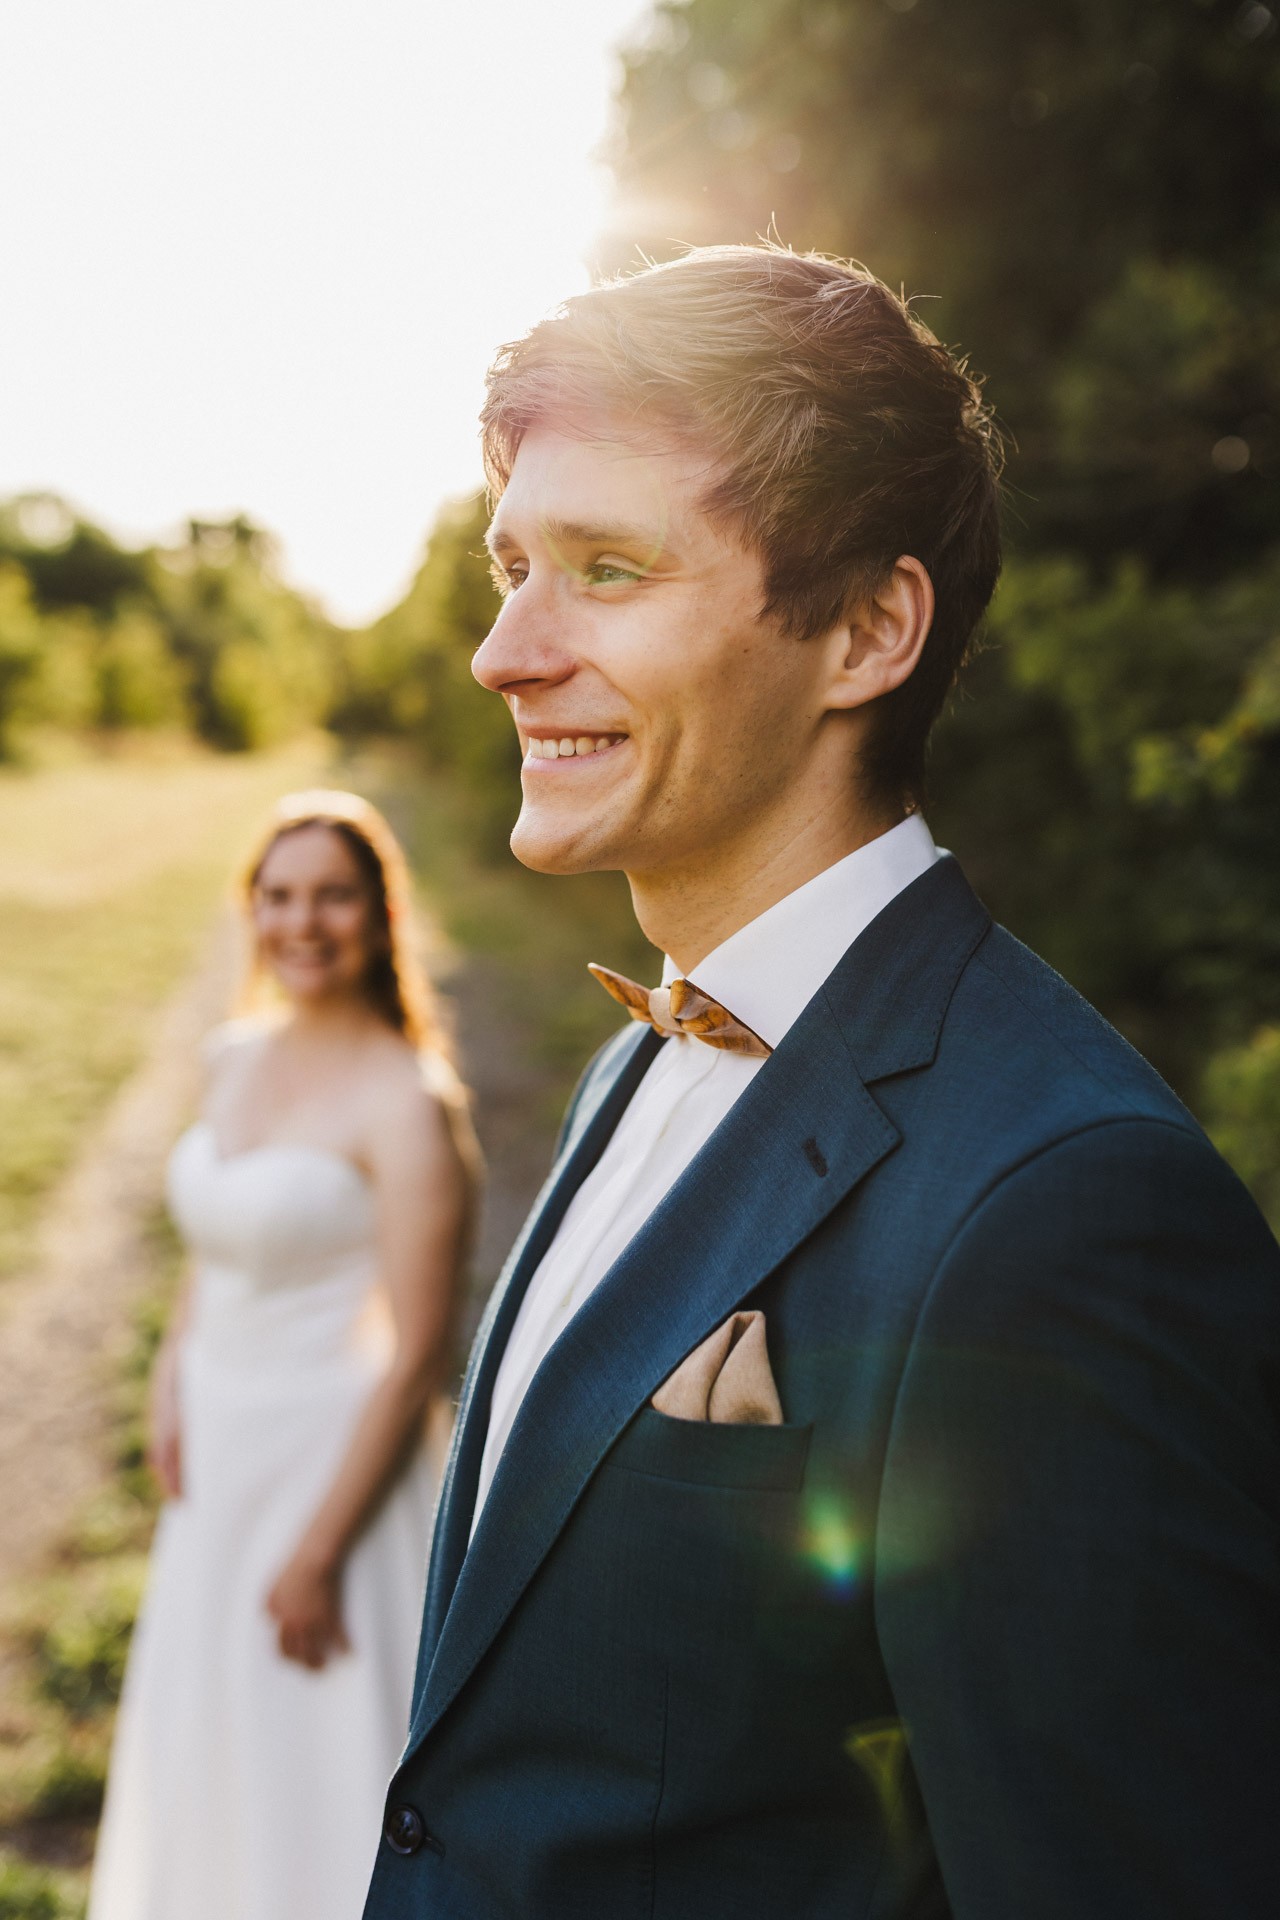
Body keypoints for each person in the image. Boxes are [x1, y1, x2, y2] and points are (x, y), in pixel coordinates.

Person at [361, 247, 1280, 1920]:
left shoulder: (1068, 1205)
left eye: (608, 570)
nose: (504, 651)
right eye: (513, 568)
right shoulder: (635, 1054)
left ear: (866, 629)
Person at [89, 789, 477, 1920]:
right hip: (218, 1455)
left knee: (314, 1756)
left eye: (333, 897)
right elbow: (211, 1249)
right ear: (250, 909)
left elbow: (417, 1354)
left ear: (379, 916)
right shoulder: (231, 1057)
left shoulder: (408, 1103)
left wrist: (317, 1553)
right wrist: (171, 1374)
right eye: (278, 896)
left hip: (331, 1467)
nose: (302, 923)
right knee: (208, 1730)